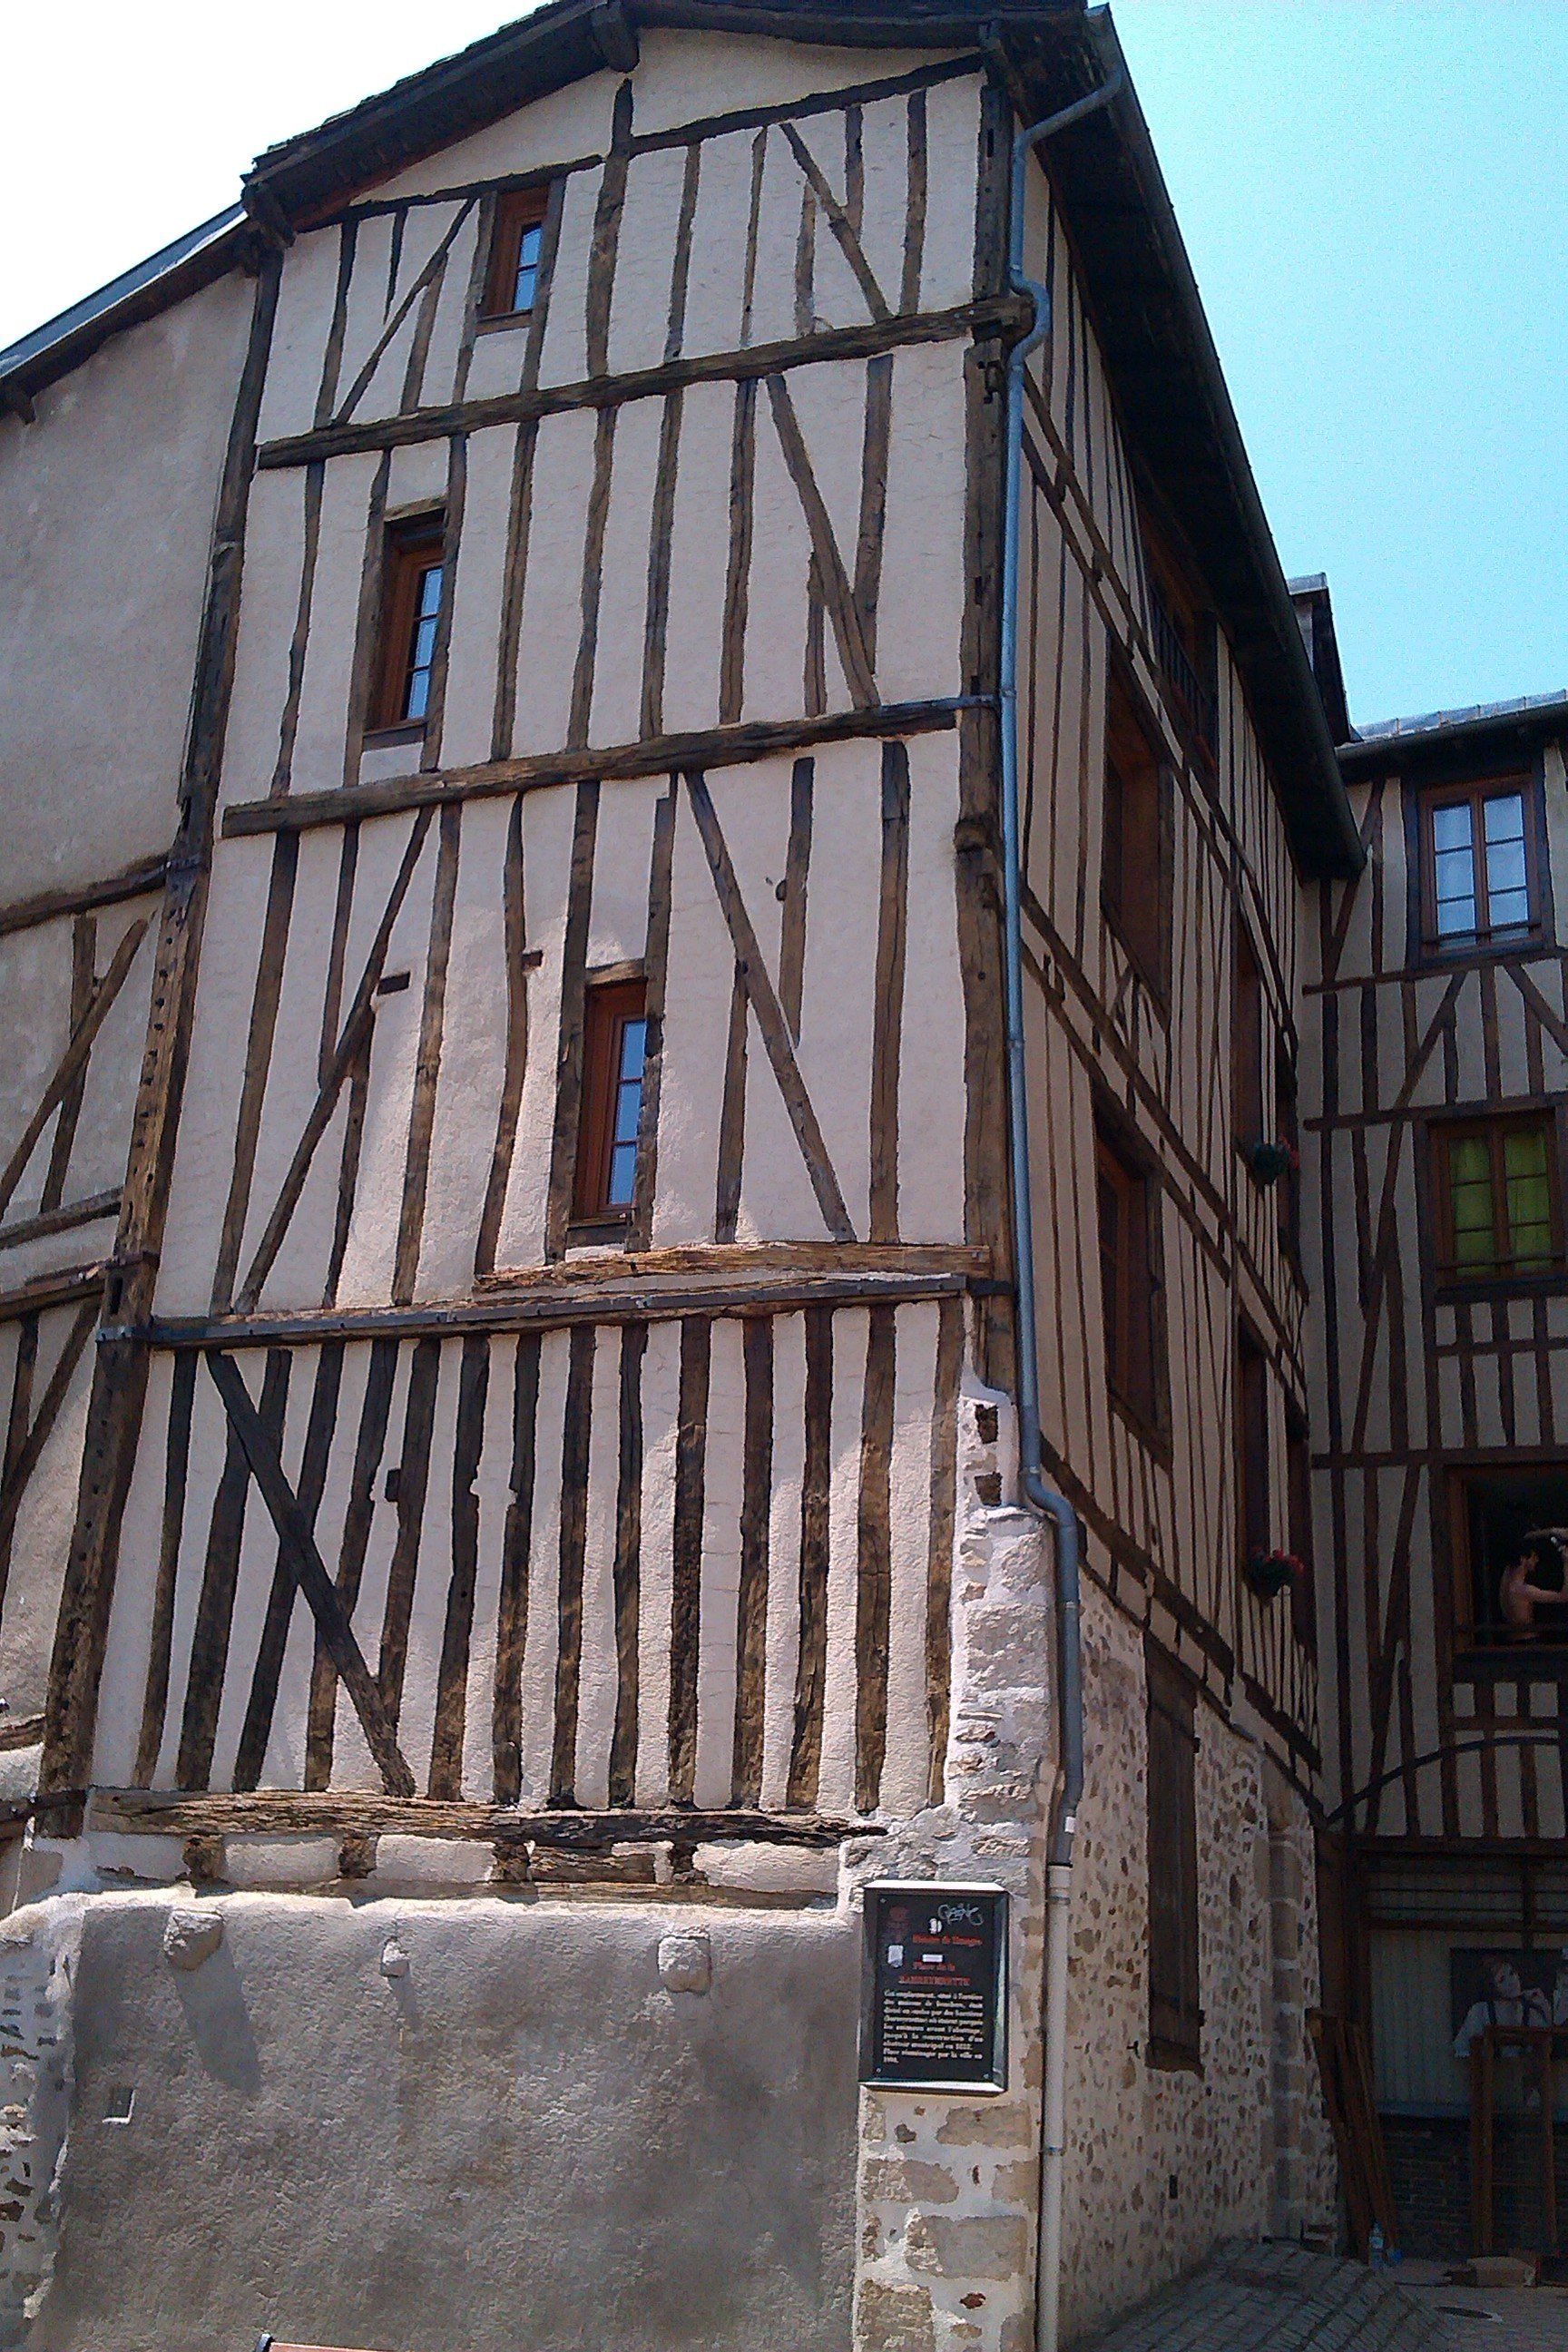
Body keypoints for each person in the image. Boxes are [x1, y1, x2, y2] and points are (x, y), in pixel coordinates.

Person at [1499, 1529, 1568, 1636]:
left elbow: (1525, 1537)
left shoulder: (1507, 1577)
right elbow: (1564, 1596)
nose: (1536, 1560)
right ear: (1523, 1559)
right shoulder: (1522, 1590)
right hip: (1527, 1643)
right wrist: (1566, 1563)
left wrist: (1553, 1532)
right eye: (1533, 1557)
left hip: (1516, 1641)